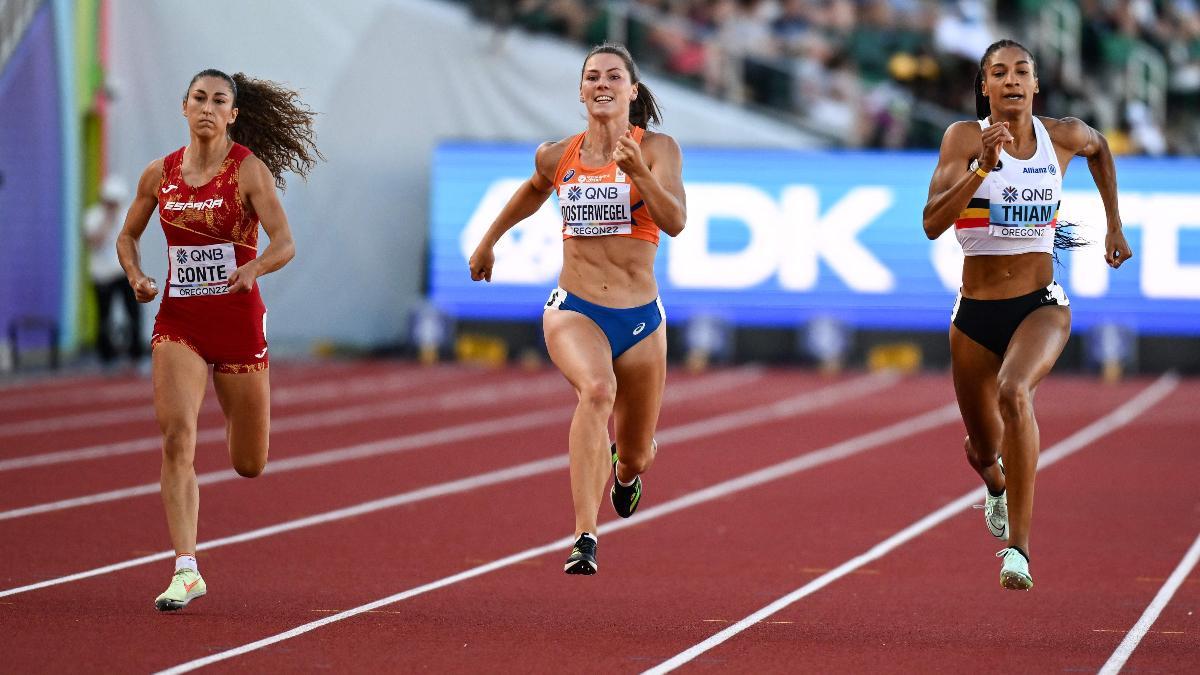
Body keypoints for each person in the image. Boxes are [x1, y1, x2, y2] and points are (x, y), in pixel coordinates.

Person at [922, 39, 1132, 590]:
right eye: (999, 72)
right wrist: (979, 170)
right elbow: (930, 222)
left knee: (1016, 393)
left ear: (1035, 85)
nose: (1011, 80)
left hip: (1040, 305)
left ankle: (1019, 550)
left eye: (1022, 71)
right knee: (981, 449)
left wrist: (1114, 223)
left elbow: (1101, 148)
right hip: (974, 315)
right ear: (985, 87)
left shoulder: (1060, 135)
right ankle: (995, 485)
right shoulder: (963, 139)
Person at [469, 43, 686, 575]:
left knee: (635, 453)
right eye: (592, 77)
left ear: (632, 91)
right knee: (595, 390)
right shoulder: (557, 154)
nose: (602, 84)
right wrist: (488, 240)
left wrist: (642, 174)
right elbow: (533, 188)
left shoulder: (656, 148)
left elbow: (675, 220)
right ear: (582, 91)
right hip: (575, 307)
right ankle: (584, 536)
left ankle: (627, 473)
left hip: (640, 321)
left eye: (614, 76)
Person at [116, 69, 321, 610]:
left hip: (237, 322)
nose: (208, 107)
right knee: (177, 436)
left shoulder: (248, 171)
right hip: (179, 322)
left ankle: (239, 420)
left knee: (248, 461)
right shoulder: (159, 174)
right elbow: (127, 234)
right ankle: (186, 567)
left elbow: (286, 242)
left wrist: (253, 269)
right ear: (183, 106)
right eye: (199, 98)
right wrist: (136, 275)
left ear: (233, 114)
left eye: (219, 101)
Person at [84, 175, 144, 369]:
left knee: (134, 313)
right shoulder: (93, 216)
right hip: (102, 275)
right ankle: (106, 356)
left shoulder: (127, 215)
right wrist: (108, 221)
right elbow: (94, 241)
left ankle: (136, 353)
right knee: (104, 317)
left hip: (124, 272)